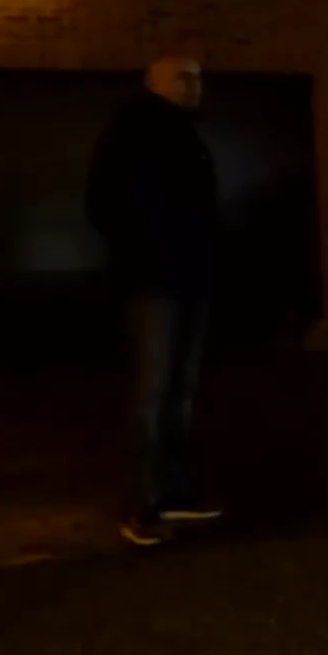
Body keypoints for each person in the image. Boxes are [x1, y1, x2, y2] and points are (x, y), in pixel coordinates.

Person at [86, 56, 225, 546]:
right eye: (183, 76)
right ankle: (143, 503)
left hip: (187, 278)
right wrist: (151, 248)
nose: (195, 84)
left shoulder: (182, 134)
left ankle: (173, 492)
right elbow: (104, 202)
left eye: (198, 76)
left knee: (177, 391)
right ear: (156, 84)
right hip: (155, 281)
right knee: (155, 391)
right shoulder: (135, 131)